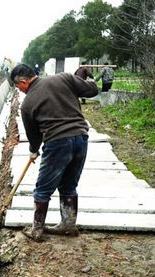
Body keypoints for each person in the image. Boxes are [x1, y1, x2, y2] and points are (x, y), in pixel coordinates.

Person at [10, 63, 98, 241]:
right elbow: (92, 90)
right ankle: (68, 224)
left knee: (42, 189)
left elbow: (33, 136)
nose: (19, 91)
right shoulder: (63, 78)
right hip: (81, 138)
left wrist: (33, 151)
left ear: (24, 82)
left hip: (58, 143)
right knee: (68, 185)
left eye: (18, 87)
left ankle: (36, 230)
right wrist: (90, 78)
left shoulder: (27, 104)